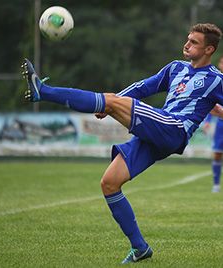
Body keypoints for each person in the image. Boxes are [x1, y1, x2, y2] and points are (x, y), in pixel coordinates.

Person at [22, 23, 223, 263]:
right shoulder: (175, 68)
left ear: (209, 49)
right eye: (188, 39)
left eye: (194, 43)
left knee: (109, 101)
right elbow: (143, 87)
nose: (187, 45)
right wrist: (114, 101)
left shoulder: (216, 79)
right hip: (158, 132)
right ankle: (140, 248)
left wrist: (110, 104)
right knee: (109, 183)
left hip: (174, 128)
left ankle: (42, 91)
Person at [203, 55, 223, 193]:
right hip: (221, 125)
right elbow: (212, 104)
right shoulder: (216, 81)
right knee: (217, 154)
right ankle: (216, 185)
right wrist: (208, 121)